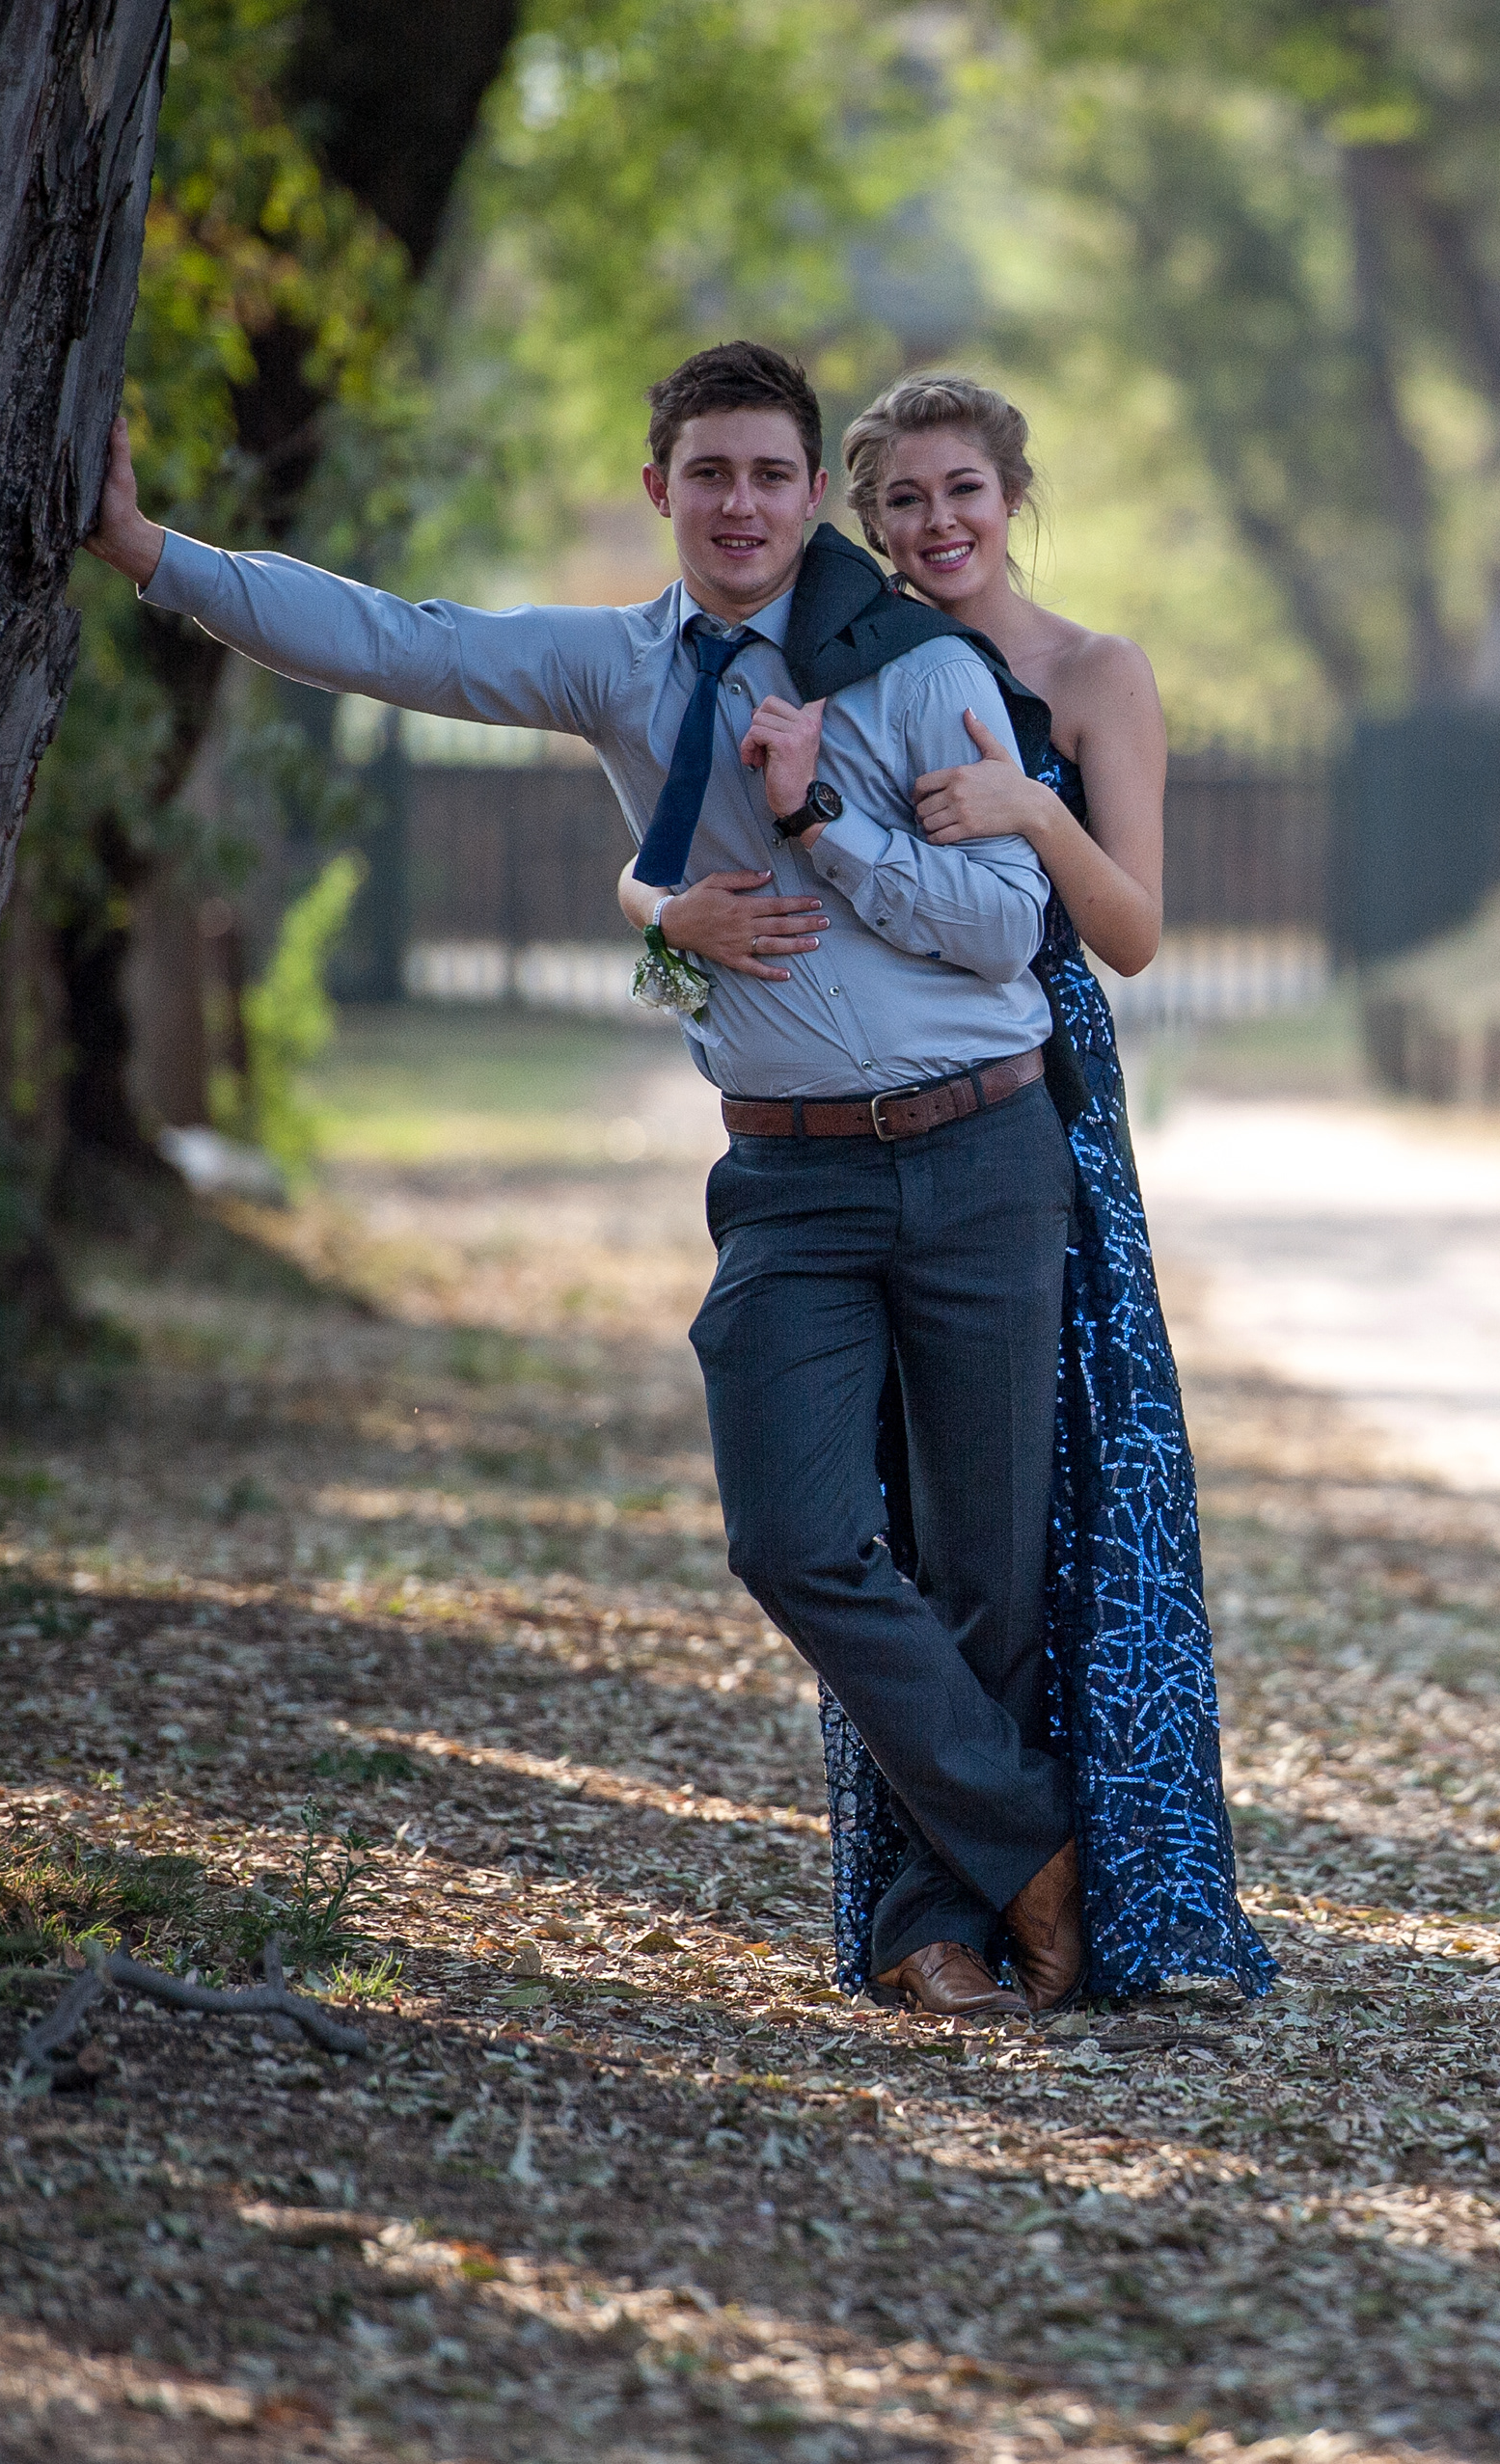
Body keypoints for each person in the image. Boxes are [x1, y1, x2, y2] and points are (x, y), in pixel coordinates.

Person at [84, 341, 1093, 2021]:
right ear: (659, 490)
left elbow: (1007, 930)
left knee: (981, 1567)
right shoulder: (621, 668)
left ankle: (938, 1929)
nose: (741, 505)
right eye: (710, 473)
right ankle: (1036, 1843)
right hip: (789, 1179)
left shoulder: (914, 670)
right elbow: (402, 639)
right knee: (794, 1539)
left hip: (984, 1151)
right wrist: (152, 557)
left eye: (770, 474)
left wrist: (823, 827)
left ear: (812, 495)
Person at [634, 371, 1271, 2009]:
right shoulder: (826, 668)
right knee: (872, 1523)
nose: (936, 527)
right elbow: (674, 835)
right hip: (840, 1129)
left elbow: (1133, 934)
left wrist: (1033, 807)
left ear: (1013, 497)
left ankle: (986, 1905)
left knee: (1024, 1517)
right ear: (863, 521)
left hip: (1028, 1100)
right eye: (903, 503)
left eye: (962, 494)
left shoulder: (1092, 674)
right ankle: (973, 1879)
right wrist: (653, 915)